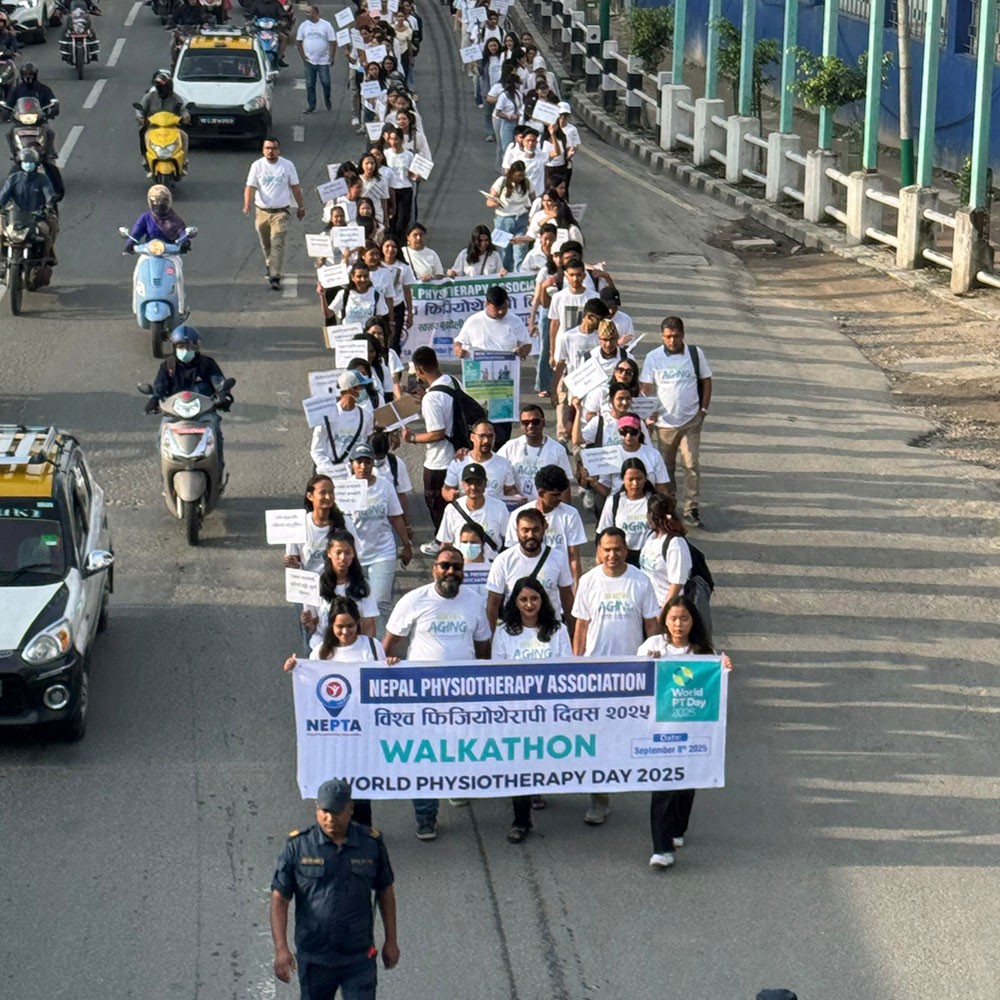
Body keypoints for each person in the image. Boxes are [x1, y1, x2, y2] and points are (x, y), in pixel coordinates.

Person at [383, 546, 492, 840]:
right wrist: (389, 669)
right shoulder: (414, 601)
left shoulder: (474, 601)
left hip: (464, 694)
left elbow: (483, 648)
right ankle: (426, 816)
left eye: (456, 567)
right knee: (425, 757)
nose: (450, 572)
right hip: (423, 696)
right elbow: (388, 645)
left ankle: (456, 785)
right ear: (434, 569)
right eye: (445, 566)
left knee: (460, 748)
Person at [270, 778, 399, 998]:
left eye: (337, 812)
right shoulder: (299, 847)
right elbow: (279, 899)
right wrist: (281, 948)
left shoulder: (370, 844)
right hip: (315, 958)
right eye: (324, 811)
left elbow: (385, 891)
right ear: (317, 809)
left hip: (359, 956)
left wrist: (391, 941)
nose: (330, 819)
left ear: (350, 809)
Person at [572, 527, 659, 825]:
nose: (612, 555)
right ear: (598, 551)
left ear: (626, 550)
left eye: (617, 549)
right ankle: (600, 799)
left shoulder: (640, 581)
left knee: (630, 733)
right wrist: (576, 664)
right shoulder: (588, 582)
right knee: (598, 737)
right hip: (595, 674)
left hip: (632, 674)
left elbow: (651, 627)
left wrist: (655, 659)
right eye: (606, 549)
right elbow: (581, 627)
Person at [637, 596, 732, 869]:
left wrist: (724, 669)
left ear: (693, 622)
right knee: (663, 786)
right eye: (673, 618)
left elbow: (714, 684)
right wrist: (647, 664)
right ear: (665, 619)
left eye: (685, 618)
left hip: (691, 733)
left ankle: (676, 830)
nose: (678, 624)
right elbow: (633, 679)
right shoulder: (652, 646)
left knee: (685, 786)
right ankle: (661, 847)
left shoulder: (702, 652)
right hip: (659, 731)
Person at [493, 577, 572, 843]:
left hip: (547, 709)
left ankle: (538, 788)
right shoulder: (504, 633)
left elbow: (565, 668)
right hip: (517, 712)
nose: (529, 604)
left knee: (541, 759)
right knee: (520, 764)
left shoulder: (558, 630)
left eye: (534, 599)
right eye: (523, 599)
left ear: (543, 600)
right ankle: (521, 820)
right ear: (514, 602)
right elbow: (498, 672)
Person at [640, 316, 713, 527]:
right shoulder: (653, 357)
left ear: (683, 335)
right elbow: (645, 387)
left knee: (691, 464)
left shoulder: (694, 354)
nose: (672, 341)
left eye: (676, 336)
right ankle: (670, 506)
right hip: (665, 424)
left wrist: (703, 410)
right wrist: (648, 412)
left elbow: (706, 381)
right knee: (667, 468)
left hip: (691, 421)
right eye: (668, 337)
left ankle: (692, 507)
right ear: (662, 337)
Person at [344, 443, 412, 635]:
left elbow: (395, 516)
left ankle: (382, 650)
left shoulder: (385, 486)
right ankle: (360, 645)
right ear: (351, 464)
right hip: (353, 557)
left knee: (381, 603)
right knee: (355, 605)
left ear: (373, 463)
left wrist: (406, 544)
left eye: (367, 462)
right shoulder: (345, 489)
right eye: (359, 462)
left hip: (383, 552)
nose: (363, 467)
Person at [148, 325, 231, 469]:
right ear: (174, 347)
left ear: (197, 346)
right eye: (181, 346)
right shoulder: (167, 366)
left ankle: (218, 467)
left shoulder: (207, 364)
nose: (186, 350)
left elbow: (218, 382)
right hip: (174, 413)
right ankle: (165, 470)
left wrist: (224, 394)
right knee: (161, 437)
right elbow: (160, 387)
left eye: (190, 346)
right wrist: (154, 399)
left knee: (216, 435)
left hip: (204, 413)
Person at [486, 506, 574, 630]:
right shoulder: (503, 560)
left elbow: (567, 597)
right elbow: (493, 602)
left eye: (535, 530)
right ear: (517, 531)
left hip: (550, 628)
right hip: (514, 631)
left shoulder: (558, 558)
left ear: (544, 528)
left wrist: (573, 632)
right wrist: (491, 637)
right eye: (525, 530)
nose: (530, 535)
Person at [400, 346, 455, 541]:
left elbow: (437, 433)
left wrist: (412, 438)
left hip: (439, 462)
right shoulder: (452, 381)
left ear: (420, 369)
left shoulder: (432, 399)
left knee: (436, 503)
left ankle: (443, 542)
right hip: (457, 456)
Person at [505, 465, 585, 588]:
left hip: (560, 581)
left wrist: (577, 587)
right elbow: (512, 554)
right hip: (529, 583)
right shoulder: (519, 515)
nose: (560, 498)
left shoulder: (570, 514)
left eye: (560, 494)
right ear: (541, 492)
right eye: (555, 495)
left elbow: (574, 556)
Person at [243, 137, 306, 290]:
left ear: (279, 150)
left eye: (273, 148)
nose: (270, 151)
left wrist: (301, 207)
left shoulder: (287, 165)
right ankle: (269, 264)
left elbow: (295, 188)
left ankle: (274, 275)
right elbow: (250, 187)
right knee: (266, 244)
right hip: (262, 211)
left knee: (277, 242)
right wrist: (247, 204)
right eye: (267, 148)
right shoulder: (257, 166)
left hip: (281, 212)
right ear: (263, 150)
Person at [125, 184, 193, 313]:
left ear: (168, 202)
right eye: (156, 202)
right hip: (149, 252)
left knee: (178, 276)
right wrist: (129, 245)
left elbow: (182, 233)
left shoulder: (175, 219)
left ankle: (180, 308)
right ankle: (137, 308)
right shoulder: (146, 218)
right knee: (137, 275)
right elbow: (136, 233)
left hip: (170, 253)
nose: (159, 205)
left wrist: (185, 242)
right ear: (150, 202)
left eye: (162, 202)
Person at [434, 462, 510, 564]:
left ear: (485, 483)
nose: (473, 487)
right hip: (461, 567)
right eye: (469, 483)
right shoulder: (452, 509)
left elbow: (509, 540)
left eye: (478, 483)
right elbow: (446, 544)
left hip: (492, 566)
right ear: (463, 484)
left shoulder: (499, 508)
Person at [496, 404, 574, 501]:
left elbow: (565, 485)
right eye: (525, 423)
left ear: (543, 422)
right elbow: (495, 471)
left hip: (546, 508)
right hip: (517, 507)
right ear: (521, 425)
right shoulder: (510, 447)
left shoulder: (557, 450)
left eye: (535, 422)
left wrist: (564, 510)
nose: (530, 426)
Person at [309, 371, 375, 481]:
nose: (363, 391)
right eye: (360, 387)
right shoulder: (327, 415)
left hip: (354, 475)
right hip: (328, 475)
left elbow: (366, 443)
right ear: (350, 389)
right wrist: (331, 472)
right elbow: (316, 450)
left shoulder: (366, 415)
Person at [0, 148, 58, 265]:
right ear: (20, 163)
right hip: (15, 215)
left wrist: (49, 204)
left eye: (31, 163)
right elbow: (3, 195)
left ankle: (48, 253)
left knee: (49, 228)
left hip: (36, 216)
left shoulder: (42, 179)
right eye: (25, 162)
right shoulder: (14, 179)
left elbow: (49, 194)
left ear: (36, 164)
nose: (28, 165)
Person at [441, 420, 517, 502]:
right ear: (472, 437)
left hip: (494, 512)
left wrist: (517, 498)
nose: (486, 441)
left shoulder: (504, 464)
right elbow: (447, 489)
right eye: (482, 436)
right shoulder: (459, 462)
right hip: (467, 512)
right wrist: (450, 494)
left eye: (490, 436)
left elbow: (509, 490)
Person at [596, 458, 654, 565]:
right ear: (623, 479)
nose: (635, 484)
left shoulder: (653, 502)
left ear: (645, 478)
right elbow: (603, 534)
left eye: (639, 479)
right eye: (631, 479)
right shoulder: (614, 502)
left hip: (650, 558)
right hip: (621, 558)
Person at [137, 70, 190, 172]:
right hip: (153, 126)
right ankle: (145, 157)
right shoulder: (150, 97)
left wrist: (186, 116)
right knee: (143, 134)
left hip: (172, 126)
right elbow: (140, 109)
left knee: (184, 136)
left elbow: (183, 109)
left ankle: (183, 161)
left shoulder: (175, 98)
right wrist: (140, 118)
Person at [295, 5, 335, 113]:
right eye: (306, 12)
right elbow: (298, 42)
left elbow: (332, 42)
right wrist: (303, 56)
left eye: (309, 12)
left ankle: (327, 98)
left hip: (323, 61)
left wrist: (332, 56)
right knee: (310, 84)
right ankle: (312, 105)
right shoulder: (303, 26)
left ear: (316, 13)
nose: (307, 14)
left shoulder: (326, 25)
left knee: (326, 82)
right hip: (309, 60)